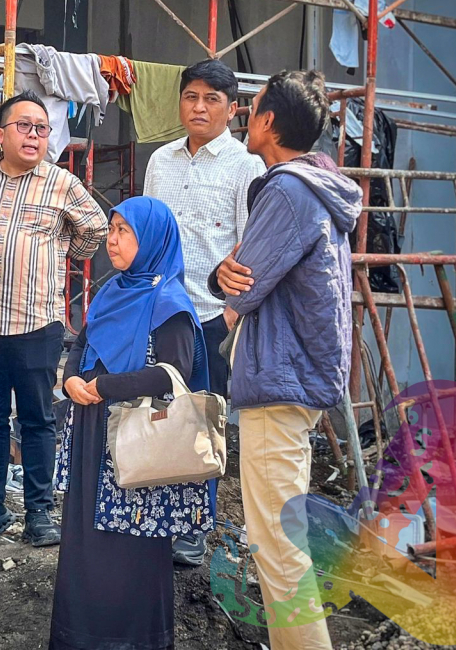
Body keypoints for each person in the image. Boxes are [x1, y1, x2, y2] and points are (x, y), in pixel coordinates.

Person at [210, 70, 361, 650]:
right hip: (295, 377)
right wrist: (226, 272)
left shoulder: (286, 191)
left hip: (279, 380)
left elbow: (241, 287)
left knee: (276, 543)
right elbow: (241, 273)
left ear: (269, 121)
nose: (244, 117)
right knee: (278, 537)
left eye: (250, 109)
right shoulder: (317, 187)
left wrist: (224, 279)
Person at [49, 197, 214, 650]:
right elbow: (81, 347)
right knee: (85, 540)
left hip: (139, 441)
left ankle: (133, 639)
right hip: (92, 433)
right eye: (112, 229)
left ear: (153, 240)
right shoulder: (110, 293)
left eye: (125, 231)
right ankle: (80, 636)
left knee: (132, 545)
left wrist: (105, 386)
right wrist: (72, 380)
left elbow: (172, 374)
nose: (112, 239)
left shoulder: (169, 303)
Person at [0, 91, 107, 552]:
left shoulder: (62, 182)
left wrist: (61, 251)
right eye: (23, 126)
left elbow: (96, 228)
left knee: (38, 419)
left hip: (37, 322)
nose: (34, 135)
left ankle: (39, 511)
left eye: (41, 129)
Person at [141, 58, 264, 566]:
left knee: (205, 422)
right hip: (161, 312)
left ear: (232, 110)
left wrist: (231, 314)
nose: (199, 107)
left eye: (212, 99)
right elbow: (148, 233)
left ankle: (194, 526)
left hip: (212, 316)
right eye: (191, 96)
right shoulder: (160, 160)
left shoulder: (246, 165)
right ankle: (154, 515)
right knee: (157, 414)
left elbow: (252, 246)